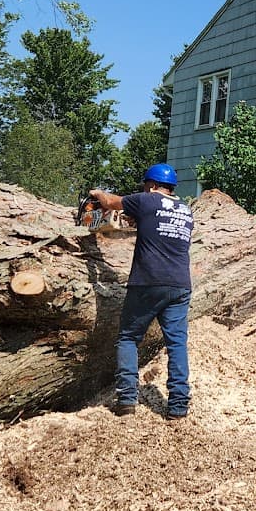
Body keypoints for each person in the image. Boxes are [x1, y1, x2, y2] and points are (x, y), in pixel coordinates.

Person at [87, 163, 193, 418]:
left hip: (148, 281)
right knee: (177, 344)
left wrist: (96, 194)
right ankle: (178, 406)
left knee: (128, 338)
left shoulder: (147, 200)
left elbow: (111, 202)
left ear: (152, 185)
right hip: (179, 284)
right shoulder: (186, 211)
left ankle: (126, 400)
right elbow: (161, 231)